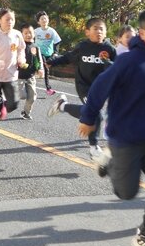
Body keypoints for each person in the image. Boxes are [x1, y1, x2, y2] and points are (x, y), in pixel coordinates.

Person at [79, 7, 145, 246]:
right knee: (127, 193)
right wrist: (88, 118)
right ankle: (110, 160)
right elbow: (98, 88)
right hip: (126, 137)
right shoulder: (128, 61)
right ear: (143, 33)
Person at [46, 17, 116, 160]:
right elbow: (68, 57)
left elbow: (118, 67)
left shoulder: (109, 49)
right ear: (87, 32)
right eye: (95, 29)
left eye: (101, 29)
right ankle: (93, 148)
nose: (99, 32)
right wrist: (52, 62)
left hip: (101, 89)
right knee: (96, 114)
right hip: (84, 86)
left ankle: (62, 106)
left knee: (92, 113)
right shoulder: (83, 47)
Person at [0, 8, 27, 144]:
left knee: (14, 103)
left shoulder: (17, 35)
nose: (10, 22)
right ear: (0, 20)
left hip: (11, 76)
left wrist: (21, 60)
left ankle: (4, 106)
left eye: (12, 19)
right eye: (7, 19)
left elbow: (21, 50)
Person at [18, 23, 43, 120]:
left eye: (31, 33)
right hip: (19, 76)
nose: (29, 35)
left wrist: (40, 69)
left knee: (32, 97)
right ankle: (7, 97)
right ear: (22, 34)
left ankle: (26, 112)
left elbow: (38, 59)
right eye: (26, 33)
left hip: (30, 76)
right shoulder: (19, 46)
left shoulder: (35, 47)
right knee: (22, 95)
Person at [34, 10, 61, 96]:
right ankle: (48, 88)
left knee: (45, 70)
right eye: (42, 19)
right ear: (38, 22)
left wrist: (56, 52)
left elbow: (57, 41)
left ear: (48, 20)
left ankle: (44, 86)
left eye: (45, 18)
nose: (44, 20)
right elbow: (30, 40)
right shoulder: (36, 31)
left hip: (49, 54)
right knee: (45, 68)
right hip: (38, 53)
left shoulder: (52, 31)